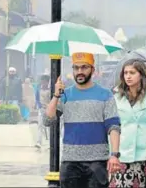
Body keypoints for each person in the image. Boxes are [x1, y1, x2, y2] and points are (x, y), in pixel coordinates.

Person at [43, 52, 121, 188]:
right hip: (70, 162)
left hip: (97, 162)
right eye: (76, 68)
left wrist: (114, 155)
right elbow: (48, 121)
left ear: (93, 70)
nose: (80, 71)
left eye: (84, 67)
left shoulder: (105, 94)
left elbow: (113, 126)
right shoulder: (65, 94)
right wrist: (56, 95)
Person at [110, 59, 146, 187]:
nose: (128, 76)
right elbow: (113, 127)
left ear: (141, 74)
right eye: (125, 73)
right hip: (123, 155)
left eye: (132, 72)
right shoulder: (117, 97)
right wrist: (112, 154)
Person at [35, 74, 50, 148]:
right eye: (42, 82)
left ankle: (51, 143)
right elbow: (37, 99)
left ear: (48, 82)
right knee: (40, 126)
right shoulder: (38, 89)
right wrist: (39, 106)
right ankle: (39, 142)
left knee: (49, 127)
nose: (43, 83)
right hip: (41, 109)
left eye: (45, 82)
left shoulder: (50, 89)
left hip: (49, 109)